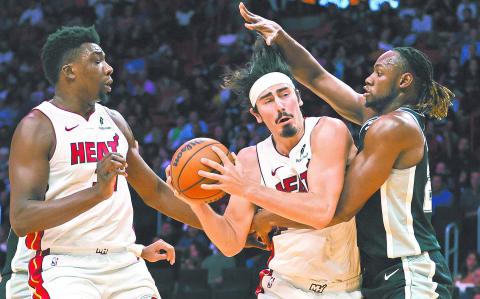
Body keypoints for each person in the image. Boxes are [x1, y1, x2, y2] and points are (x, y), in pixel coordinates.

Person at [238, 2, 454, 298]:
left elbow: (338, 209)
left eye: (379, 73)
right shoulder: (378, 119)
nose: (368, 79)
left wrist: (270, 217)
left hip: (409, 270)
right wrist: (280, 36)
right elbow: (317, 78)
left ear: (404, 81)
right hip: (378, 273)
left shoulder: (393, 128)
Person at [3, 25, 203, 298]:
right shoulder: (37, 127)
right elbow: (22, 219)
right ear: (69, 71)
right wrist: (96, 193)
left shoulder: (115, 121)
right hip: (64, 264)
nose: (109, 68)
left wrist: (225, 227)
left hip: (124, 264)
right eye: (97, 61)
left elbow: (155, 192)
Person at [168, 39, 361, 298]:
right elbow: (230, 243)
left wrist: (248, 189)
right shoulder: (249, 159)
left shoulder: (328, 131)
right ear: (256, 114)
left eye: (285, 94)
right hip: (283, 285)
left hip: (343, 286)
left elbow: (321, 211)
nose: (280, 105)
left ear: (298, 98)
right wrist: (195, 202)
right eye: (268, 100)